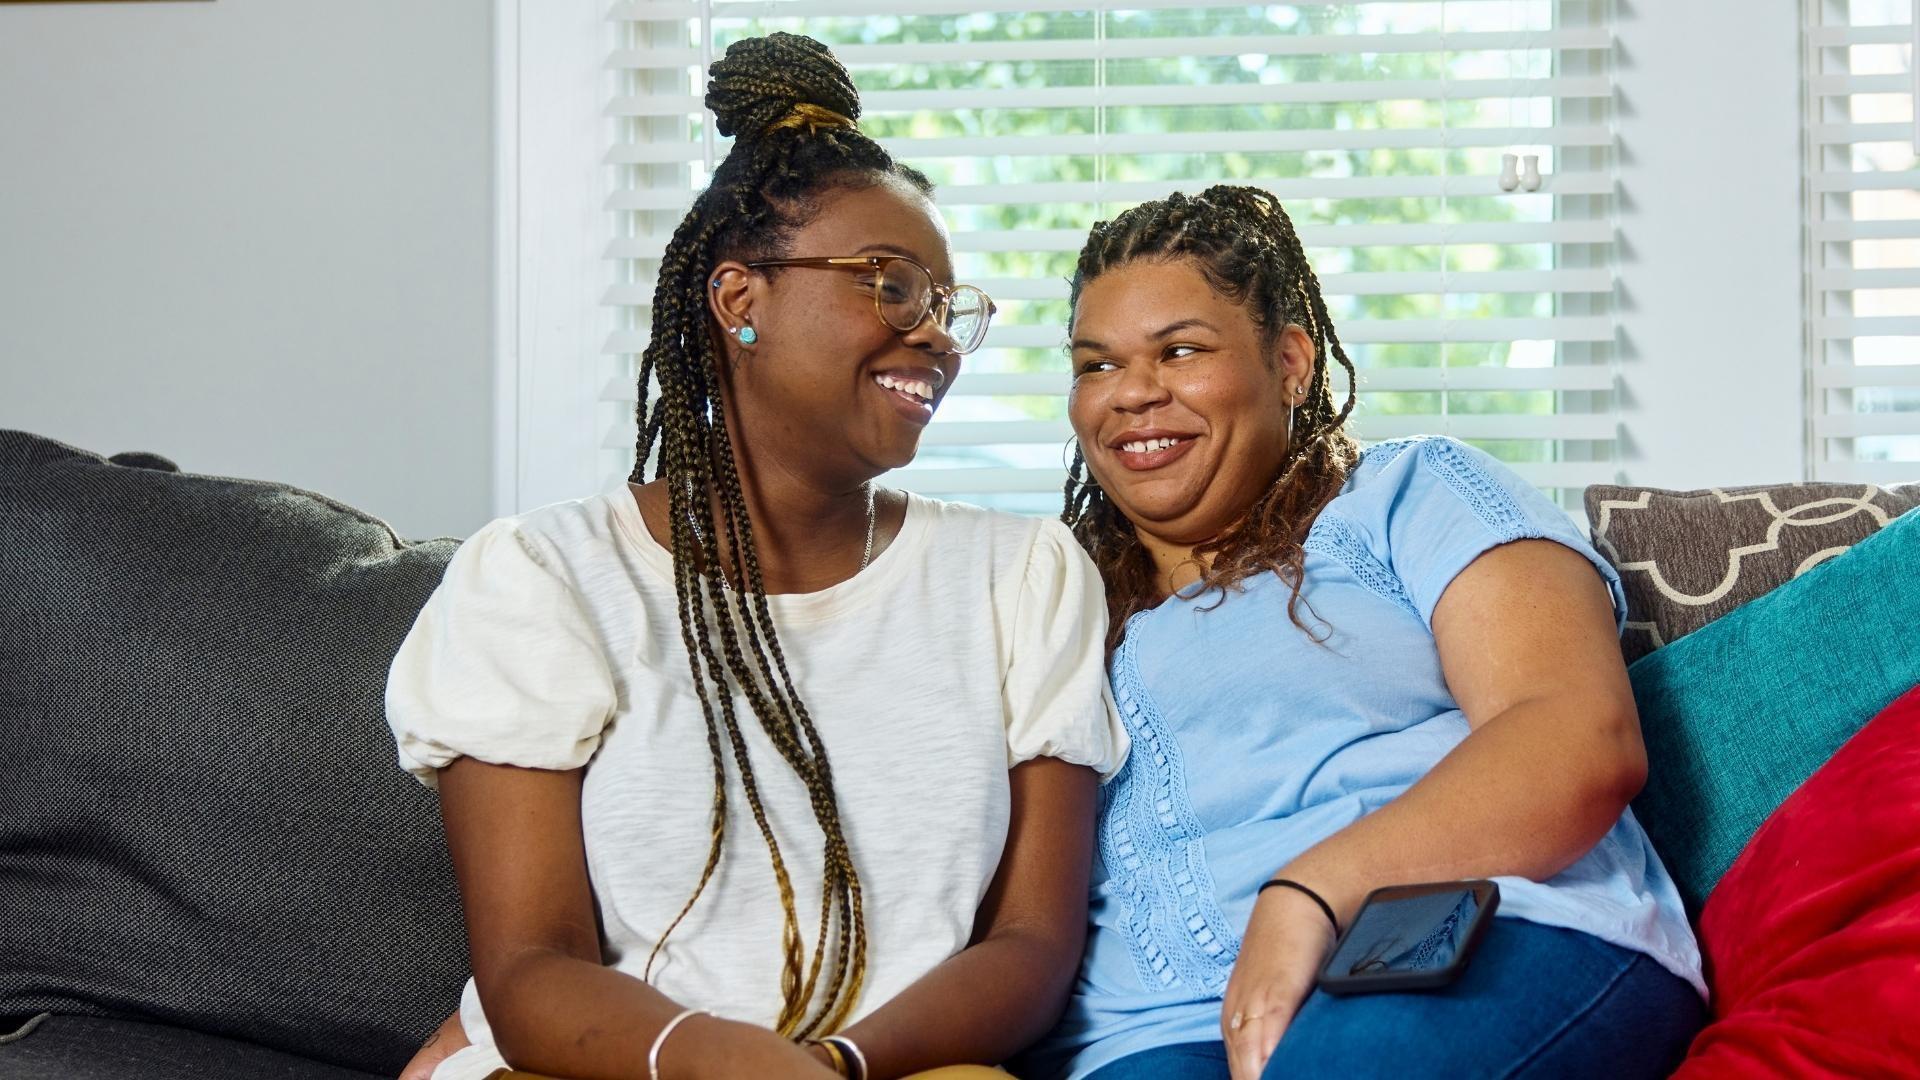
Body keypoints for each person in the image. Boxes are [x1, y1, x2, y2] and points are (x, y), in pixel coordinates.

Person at [385, 33, 1126, 1080]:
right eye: (891, 285)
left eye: (948, 307)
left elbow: (1030, 948)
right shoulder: (546, 579)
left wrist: (836, 1067)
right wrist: (723, 1061)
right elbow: (531, 968)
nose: (936, 335)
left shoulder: (1023, 579)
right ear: (740, 301)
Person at [1018, 185, 1706, 1080]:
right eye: (1097, 365)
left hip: (1455, 930)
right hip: (1145, 1031)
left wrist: (1309, 892)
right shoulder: (1049, 605)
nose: (1134, 392)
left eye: (1181, 350)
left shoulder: (1405, 495)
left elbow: (1578, 739)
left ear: (1291, 363)